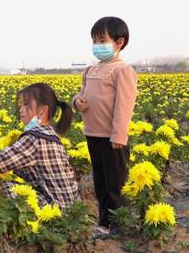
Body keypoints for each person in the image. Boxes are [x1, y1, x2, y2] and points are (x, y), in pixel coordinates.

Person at [72, 16, 137, 231]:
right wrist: (77, 101)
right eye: (95, 42)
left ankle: (120, 225)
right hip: (93, 134)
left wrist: (119, 135)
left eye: (102, 41)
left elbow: (124, 105)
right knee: (100, 183)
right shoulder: (90, 70)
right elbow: (82, 94)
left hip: (112, 138)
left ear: (119, 43)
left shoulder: (122, 70)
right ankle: (104, 222)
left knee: (116, 185)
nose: (97, 47)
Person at [0, 83, 80, 208]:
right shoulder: (49, 133)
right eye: (20, 105)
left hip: (56, 209)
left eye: (26, 104)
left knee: (2, 185)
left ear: (43, 111)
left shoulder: (34, 138)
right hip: (70, 206)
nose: (21, 109)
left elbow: (1, 160)